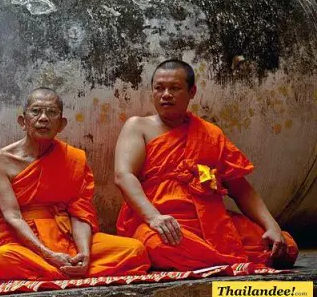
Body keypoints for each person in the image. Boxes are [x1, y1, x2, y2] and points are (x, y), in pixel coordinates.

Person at [115, 59, 298, 271]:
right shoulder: (138, 126)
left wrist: (271, 225)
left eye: (174, 88)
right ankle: (226, 262)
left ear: (192, 92)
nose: (165, 94)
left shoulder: (210, 134)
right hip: (162, 220)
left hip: (211, 220)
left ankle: (215, 261)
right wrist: (153, 217)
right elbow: (123, 175)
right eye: (159, 88)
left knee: (285, 247)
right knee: (158, 246)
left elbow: (240, 188)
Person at [0, 87, 150, 280]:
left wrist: (85, 255)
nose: (44, 118)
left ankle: (68, 270)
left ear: (61, 124)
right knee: (0, 260)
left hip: (68, 238)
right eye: (36, 111)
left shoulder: (74, 158)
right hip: (25, 242)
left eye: (52, 112)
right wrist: (48, 254)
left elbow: (80, 213)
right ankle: (68, 272)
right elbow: (12, 216)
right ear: (23, 121)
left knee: (136, 250)